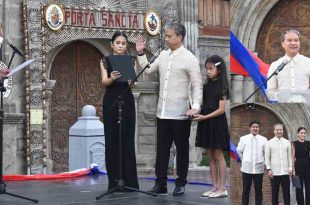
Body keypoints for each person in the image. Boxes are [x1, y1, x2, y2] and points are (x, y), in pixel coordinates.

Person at [135, 22, 203, 196]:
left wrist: (195, 107)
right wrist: (141, 53)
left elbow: (197, 86)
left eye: (169, 36)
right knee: (162, 151)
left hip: (181, 113)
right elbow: (148, 71)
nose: (165, 38)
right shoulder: (163, 55)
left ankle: (180, 183)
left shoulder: (190, 58)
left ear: (179, 37)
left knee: (182, 151)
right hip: (162, 112)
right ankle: (161, 184)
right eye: (165, 35)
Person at [100, 31, 139, 191]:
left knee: (127, 139)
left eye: (123, 43)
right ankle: (114, 181)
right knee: (112, 139)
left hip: (127, 100)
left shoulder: (132, 60)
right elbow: (104, 82)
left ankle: (130, 182)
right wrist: (112, 78)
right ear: (112, 44)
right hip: (111, 99)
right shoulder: (105, 60)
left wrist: (131, 82)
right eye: (118, 43)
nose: (121, 46)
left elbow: (133, 83)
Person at [192, 55, 229, 198]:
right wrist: (195, 113)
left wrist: (204, 117)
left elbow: (221, 110)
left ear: (219, 69)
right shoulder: (205, 87)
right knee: (210, 155)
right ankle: (214, 187)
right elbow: (201, 104)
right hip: (205, 122)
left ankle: (222, 188)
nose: (208, 71)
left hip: (217, 122)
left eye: (211, 68)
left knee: (218, 155)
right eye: (206, 69)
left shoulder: (223, 87)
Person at [266, 29, 310, 101]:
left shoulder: (308, 63)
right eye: (289, 40)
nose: (293, 43)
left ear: (299, 43)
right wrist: (282, 98)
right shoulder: (275, 65)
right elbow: (270, 91)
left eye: (296, 40)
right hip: (283, 108)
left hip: (305, 108)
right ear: (283, 44)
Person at [236, 121, 268, 205]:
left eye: (257, 127)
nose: (255, 128)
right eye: (253, 127)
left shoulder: (263, 140)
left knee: (258, 190)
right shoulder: (244, 138)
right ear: (250, 128)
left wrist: (265, 163)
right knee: (246, 189)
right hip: (246, 169)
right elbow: (239, 151)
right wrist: (244, 160)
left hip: (259, 169)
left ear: (259, 128)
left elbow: (267, 153)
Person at [265, 123, 292, 205]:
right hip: (274, 173)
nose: (279, 131)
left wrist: (290, 168)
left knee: (286, 193)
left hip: (285, 172)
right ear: (274, 131)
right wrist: (269, 169)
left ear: (282, 131)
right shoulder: (269, 142)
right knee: (274, 193)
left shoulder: (287, 142)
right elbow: (267, 157)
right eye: (277, 130)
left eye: (280, 130)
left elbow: (289, 156)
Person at [292, 127, 310, 205]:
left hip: (308, 166)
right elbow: (292, 157)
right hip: (297, 166)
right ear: (298, 134)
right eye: (301, 133)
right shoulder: (293, 143)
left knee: (309, 187)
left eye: (304, 133)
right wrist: (293, 169)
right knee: (298, 187)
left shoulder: (309, 143)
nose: (303, 134)